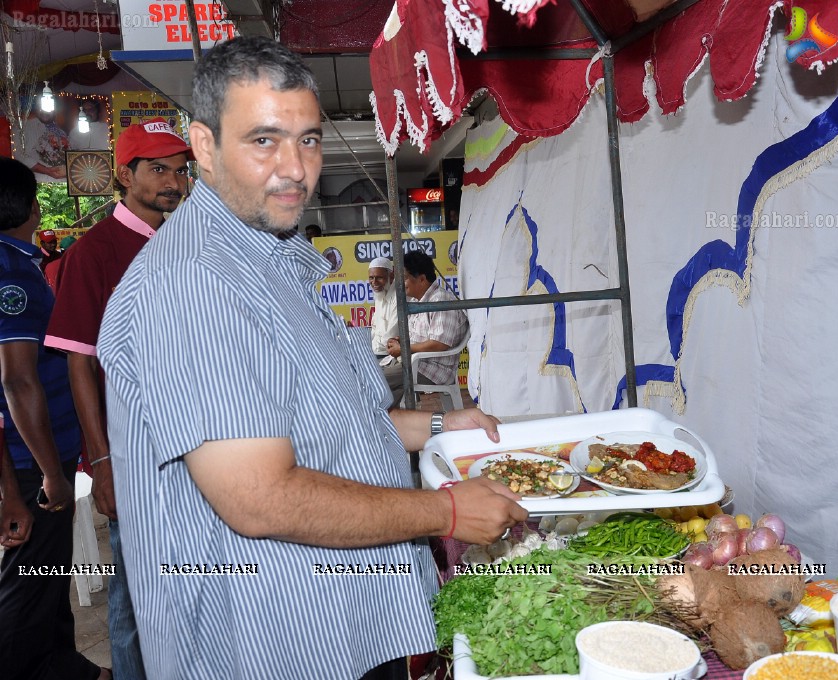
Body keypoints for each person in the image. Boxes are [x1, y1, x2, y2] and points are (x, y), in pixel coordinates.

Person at [95, 36, 526, 680]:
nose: (295, 167)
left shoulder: (276, 259)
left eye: (309, 139)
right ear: (205, 146)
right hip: (268, 639)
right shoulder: (192, 283)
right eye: (264, 140)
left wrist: (440, 424)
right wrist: (449, 512)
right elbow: (259, 497)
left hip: (342, 615)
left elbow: (333, 419)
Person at [44, 117, 191, 680]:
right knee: (135, 596)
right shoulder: (95, 252)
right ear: (124, 175)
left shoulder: (184, 242)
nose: (172, 182)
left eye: (179, 171)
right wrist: (101, 461)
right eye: (157, 170)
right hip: (132, 454)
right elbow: (79, 361)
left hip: (193, 440)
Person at [0, 157, 108, 680]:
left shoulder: (19, 261)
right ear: (30, 206)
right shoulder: (12, 271)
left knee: (47, 579)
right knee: (28, 584)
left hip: (34, 453)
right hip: (30, 459)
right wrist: (48, 472)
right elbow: (18, 381)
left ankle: (63, 667)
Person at [382, 249, 468, 407]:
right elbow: (420, 337)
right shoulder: (420, 302)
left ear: (421, 279)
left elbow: (439, 344)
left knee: (375, 378)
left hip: (432, 369)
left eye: (405, 278)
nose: (401, 284)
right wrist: (400, 341)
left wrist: (403, 349)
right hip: (416, 363)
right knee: (383, 393)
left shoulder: (441, 300)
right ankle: (390, 425)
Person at [21, 103, 70, 182]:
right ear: (37, 109)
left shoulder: (61, 131)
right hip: (41, 182)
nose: (45, 112)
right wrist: (46, 171)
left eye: (49, 108)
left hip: (63, 182)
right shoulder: (27, 127)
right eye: (42, 108)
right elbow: (20, 155)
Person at [368, 256, 398, 361]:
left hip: (390, 356)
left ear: (391, 276)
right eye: (371, 278)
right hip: (376, 352)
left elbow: (390, 338)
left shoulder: (398, 297)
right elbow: (375, 328)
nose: (374, 282)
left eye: (379, 277)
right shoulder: (380, 294)